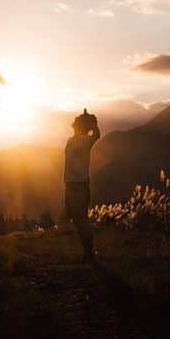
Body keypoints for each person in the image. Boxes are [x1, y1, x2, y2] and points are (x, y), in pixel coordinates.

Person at [65, 109, 101, 262]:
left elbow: (97, 135)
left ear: (80, 125)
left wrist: (93, 122)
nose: (75, 119)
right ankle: (88, 253)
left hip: (79, 185)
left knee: (81, 220)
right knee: (77, 219)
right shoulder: (71, 140)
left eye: (78, 119)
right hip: (70, 185)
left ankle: (90, 254)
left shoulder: (85, 140)